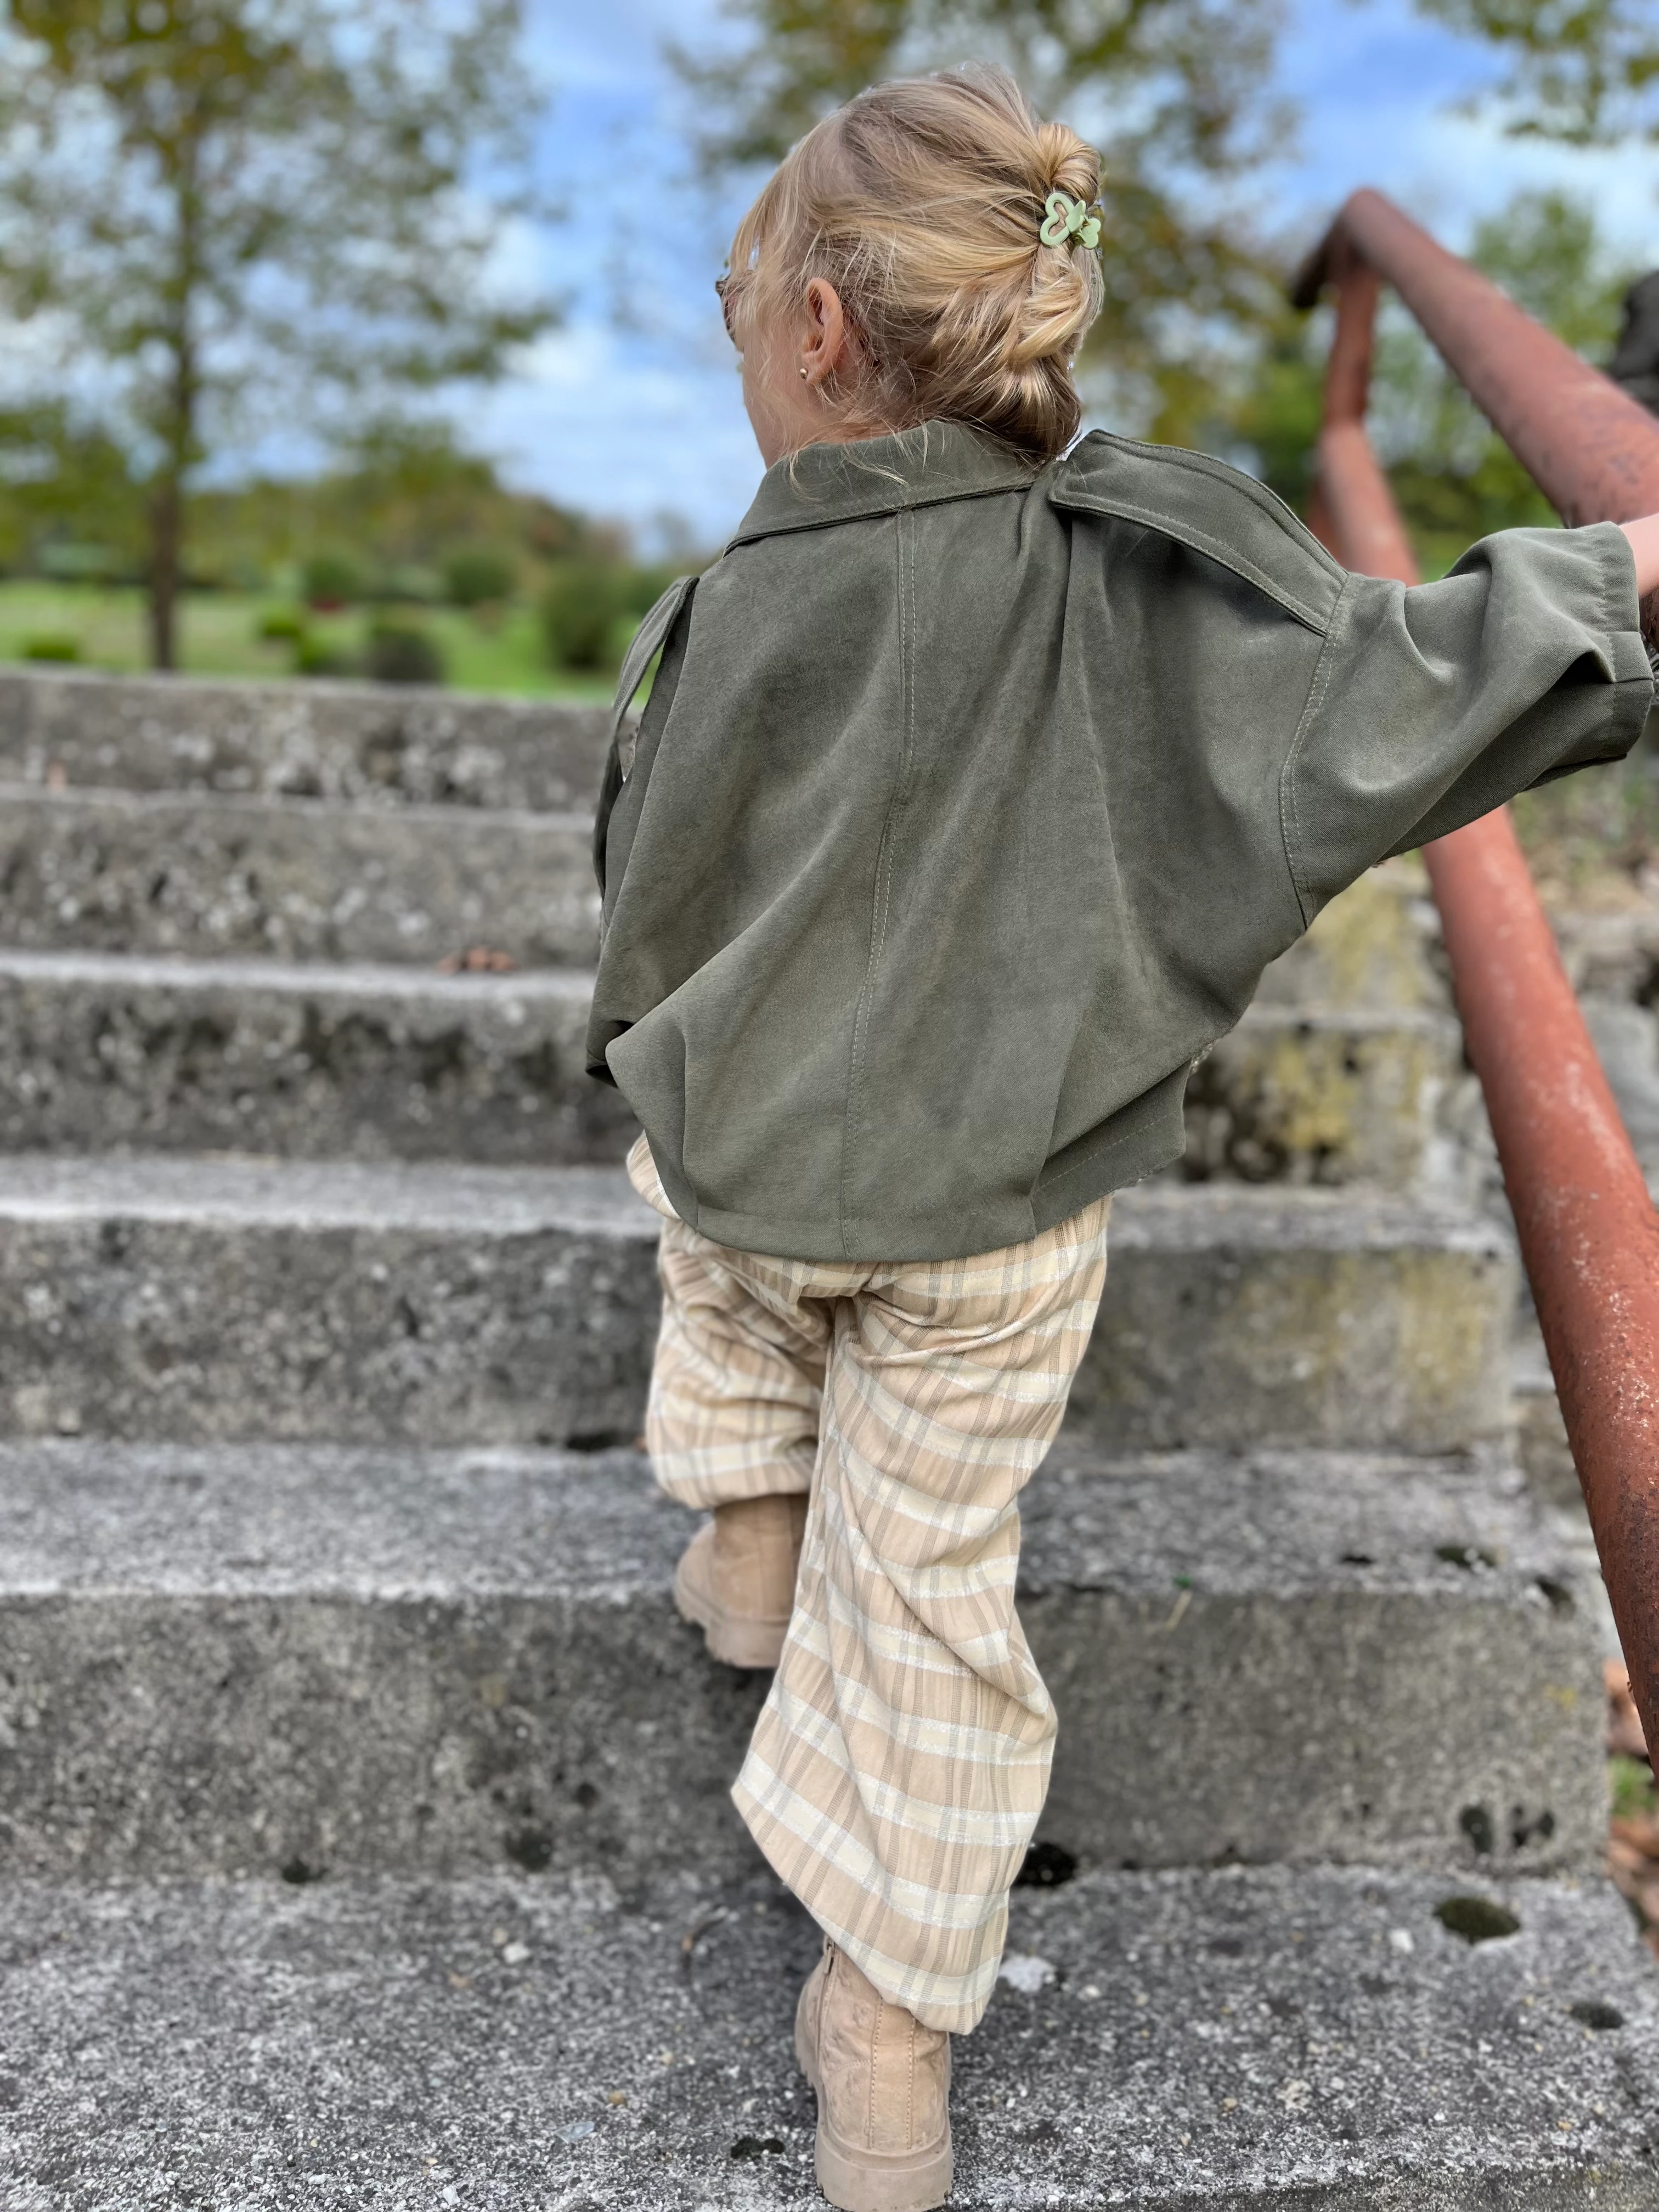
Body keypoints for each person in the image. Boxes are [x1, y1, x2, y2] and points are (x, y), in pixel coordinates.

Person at [586, 64, 1657, 2212]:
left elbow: (645, 886)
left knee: (702, 1245)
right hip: (991, 1218)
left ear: (813, 339)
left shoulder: (712, 614)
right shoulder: (1139, 570)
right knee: (938, 1598)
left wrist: (663, 1042)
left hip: (743, 1164)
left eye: (735, 325)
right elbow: (1389, 689)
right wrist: (1612, 574)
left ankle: (738, 1537)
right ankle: (882, 2038)